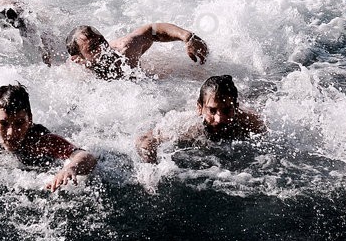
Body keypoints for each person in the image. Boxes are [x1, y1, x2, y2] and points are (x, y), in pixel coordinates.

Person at [0, 84, 97, 191]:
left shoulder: (41, 140)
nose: (11, 133)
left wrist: (70, 169)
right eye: (3, 124)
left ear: (30, 120)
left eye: (20, 123)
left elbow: (86, 155)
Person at [136, 75, 265, 163]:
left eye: (226, 110)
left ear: (236, 108)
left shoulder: (249, 122)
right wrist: (150, 167)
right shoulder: (187, 125)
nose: (219, 119)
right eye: (212, 110)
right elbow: (144, 139)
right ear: (200, 108)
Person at [66, 23, 208, 80]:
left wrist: (187, 37)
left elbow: (152, 30)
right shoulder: (77, 75)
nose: (103, 48)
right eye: (93, 48)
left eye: (102, 41)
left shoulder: (125, 50)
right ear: (79, 59)